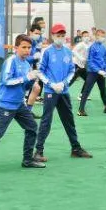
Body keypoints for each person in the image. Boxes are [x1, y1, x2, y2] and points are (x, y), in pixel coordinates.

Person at [0, 34, 45, 172]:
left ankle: (27, 160)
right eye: (24, 47)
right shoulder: (11, 61)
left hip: (19, 104)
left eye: (29, 47)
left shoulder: (26, 63)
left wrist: (32, 82)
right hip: (6, 104)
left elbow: (24, 86)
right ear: (16, 47)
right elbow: (7, 81)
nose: (27, 50)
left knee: (32, 127)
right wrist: (26, 77)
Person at [33, 23, 92, 161]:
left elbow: (72, 70)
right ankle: (38, 151)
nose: (60, 38)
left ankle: (75, 148)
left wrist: (64, 83)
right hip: (50, 91)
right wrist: (51, 84)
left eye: (62, 35)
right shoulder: (47, 51)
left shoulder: (67, 51)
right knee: (46, 121)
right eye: (57, 35)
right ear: (53, 36)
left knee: (69, 120)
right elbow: (40, 71)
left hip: (63, 91)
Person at [78, 27, 106, 116]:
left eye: (104, 36)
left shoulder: (104, 48)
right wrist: (98, 70)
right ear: (96, 36)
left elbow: (105, 60)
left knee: (103, 90)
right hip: (92, 73)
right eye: (101, 36)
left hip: (101, 73)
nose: (103, 38)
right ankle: (81, 110)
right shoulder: (92, 47)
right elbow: (90, 62)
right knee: (87, 90)